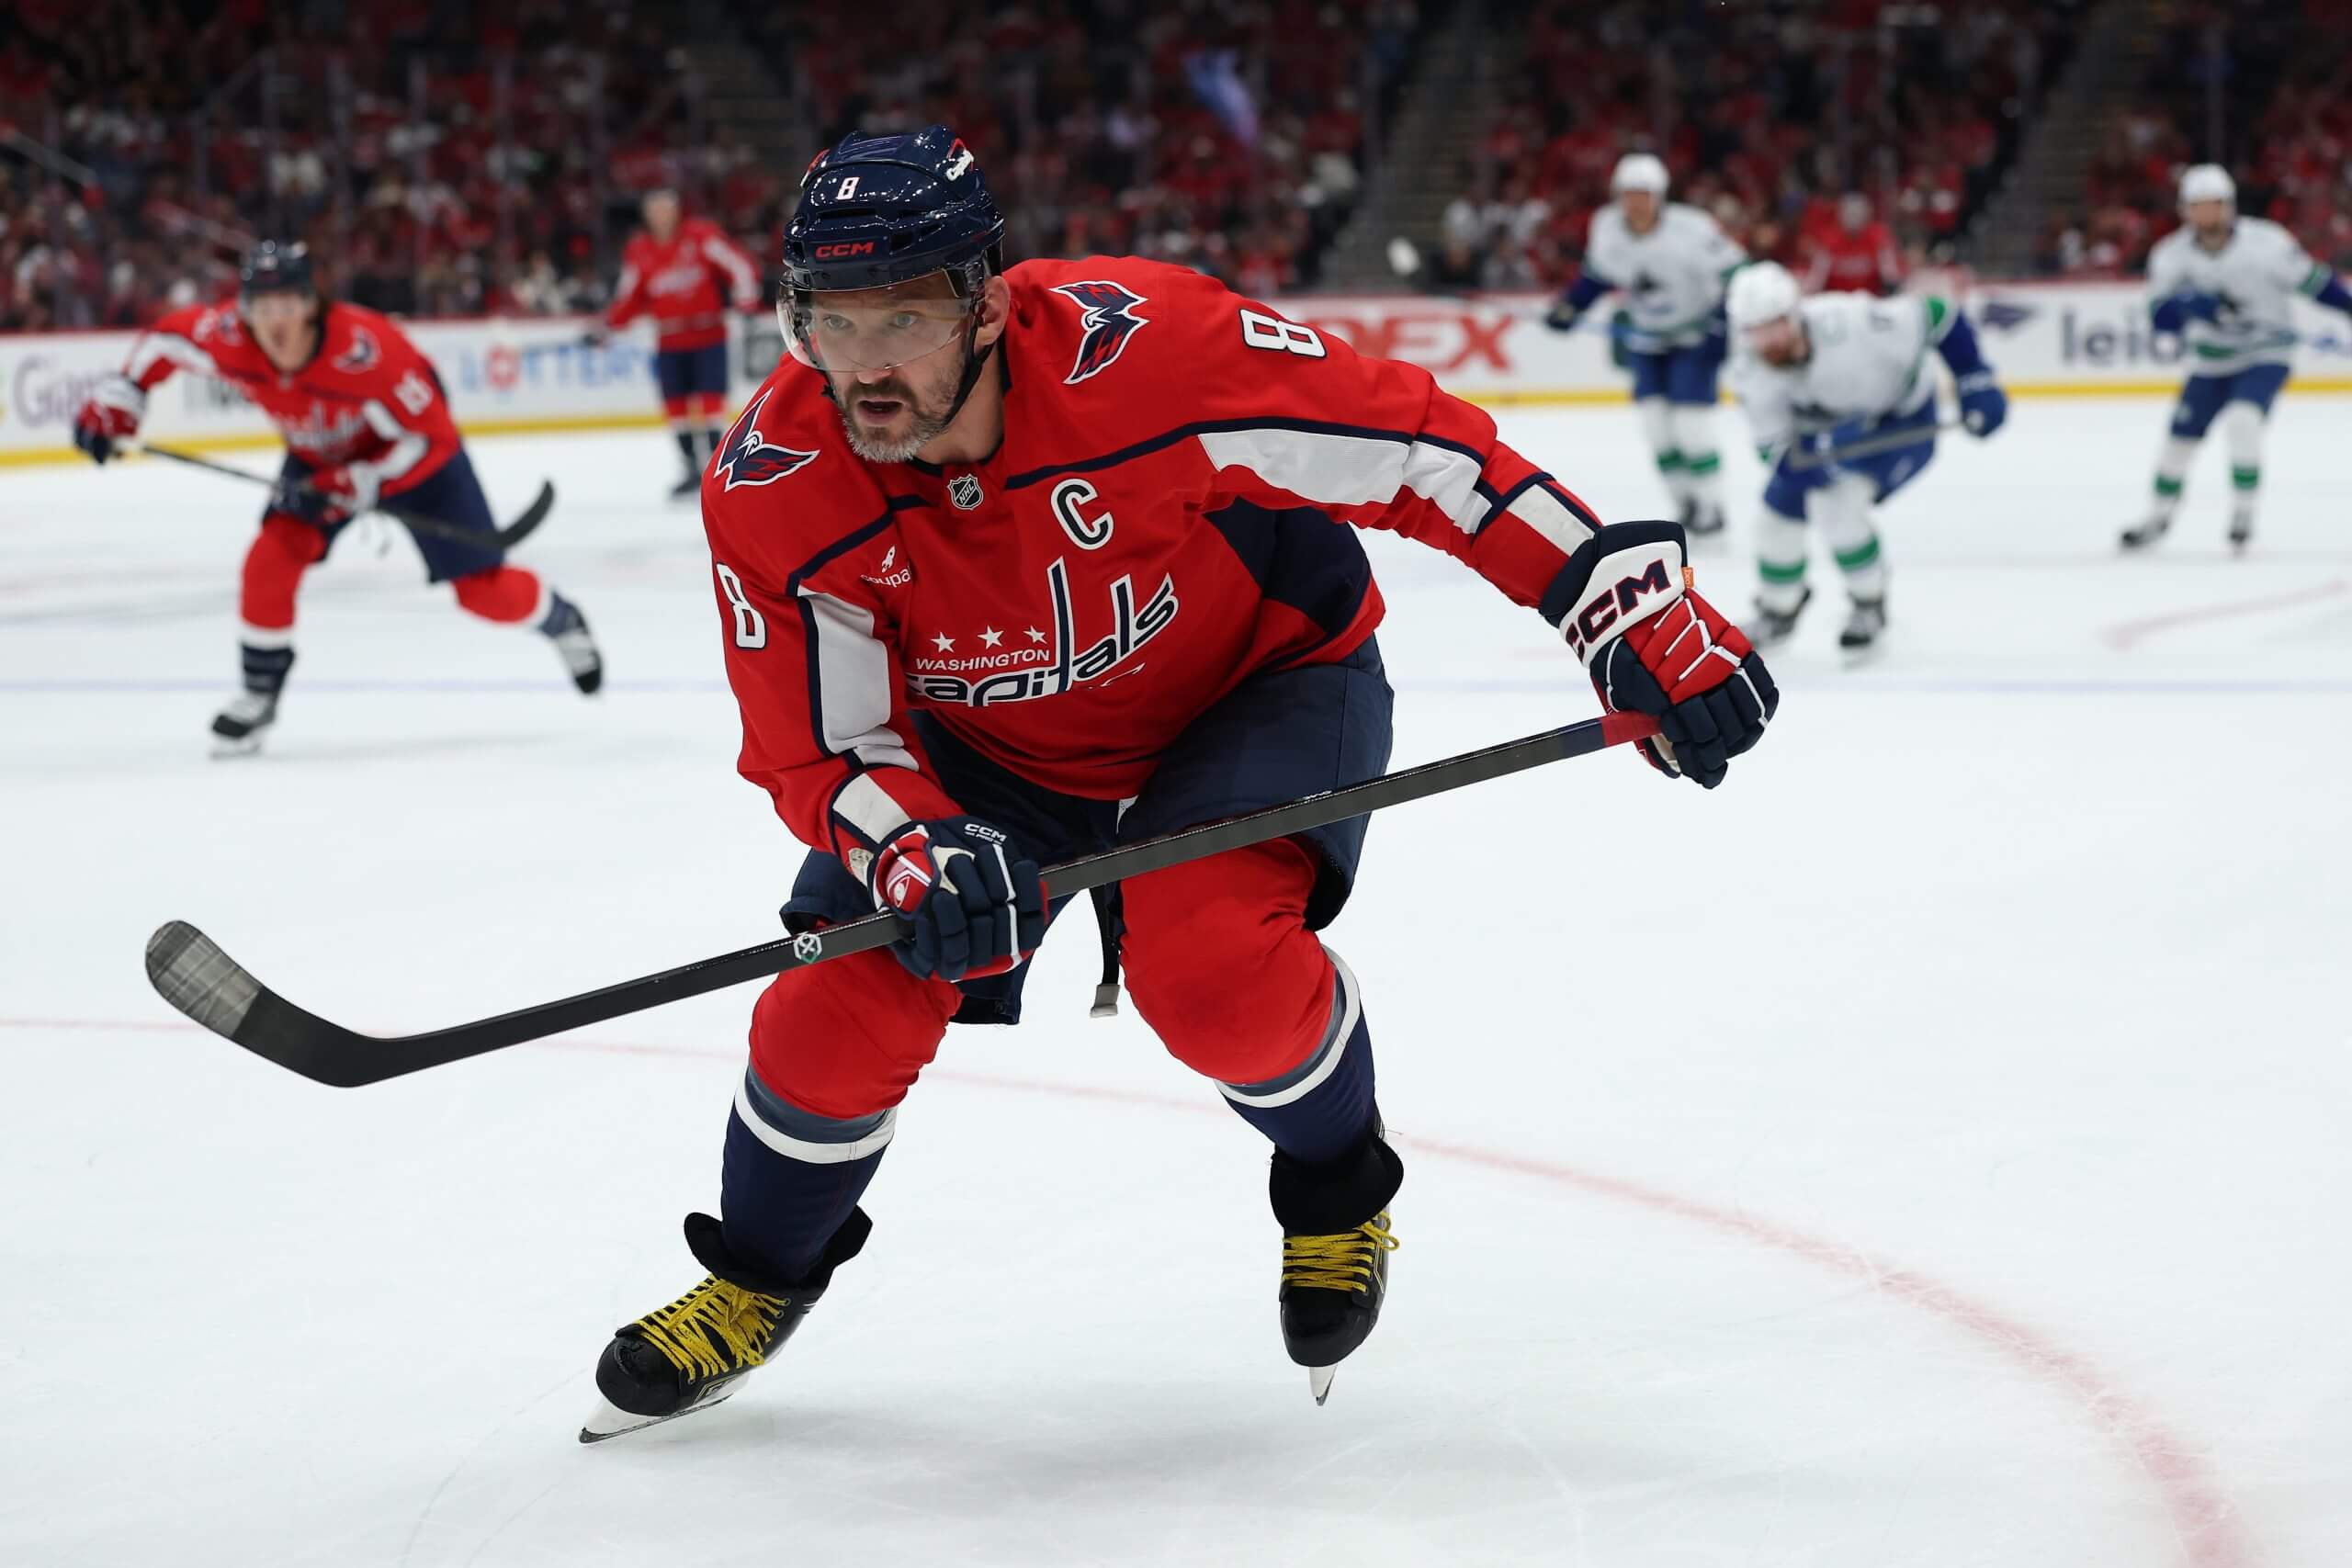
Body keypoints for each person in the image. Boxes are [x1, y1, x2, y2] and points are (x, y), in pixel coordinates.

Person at [579, 126, 1779, 1442]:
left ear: (988, 301)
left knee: (1212, 969)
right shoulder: (777, 477)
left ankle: (1336, 1189)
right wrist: (911, 842)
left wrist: (1616, 606)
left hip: (1251, 684)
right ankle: (757, 1278)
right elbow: (818, 742)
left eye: (903, 317)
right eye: (830, 320)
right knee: (832, 1009)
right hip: (985, 754)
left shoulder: (1148, 352)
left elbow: (1420, 451)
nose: (863, 365)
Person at [73, 242, 603, 753]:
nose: (275, 324)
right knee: (270, 559)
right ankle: (259, 694)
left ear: (311, 306)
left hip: (417, 465)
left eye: (287, 306)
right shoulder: (231, 337)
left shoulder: (370, 351)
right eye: (262, 308)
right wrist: (121, 399)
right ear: (245, 311)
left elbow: (431, 438)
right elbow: (164, 343)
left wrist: (364, 479)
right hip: (320, 462)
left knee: (484, 593)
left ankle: (563, 622)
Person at [1724, 260, 2007, 655]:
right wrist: (1824, 456)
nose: (1767, 342)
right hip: (1826, 440)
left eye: (1773, 326)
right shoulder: (1750, 371)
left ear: (1795, 313)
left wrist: (1974, 377)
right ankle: (1778, 609)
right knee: (1774, 520)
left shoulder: (1854, 323)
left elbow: (1937, 315)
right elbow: (1774, 450)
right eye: (1753, 331)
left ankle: (1868, 603)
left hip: (1901, 426)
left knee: (1838, 510)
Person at [2120, 164, 2352, 554]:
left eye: (2214, 205)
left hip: (2265, 354)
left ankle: (2243, 514)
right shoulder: (2171, 255)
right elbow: (2160, 319)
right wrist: (2187, 305)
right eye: (2199, 206)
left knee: (2244, 422)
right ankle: (2157, 516)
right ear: (2185, 210)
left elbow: (2315, 283)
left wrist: (2349, 307)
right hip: (2209, 361)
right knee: (2178, 443)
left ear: (2229, 206)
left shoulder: (2267, 243)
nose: (2207, 214)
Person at [1544, 153, 1746, 537]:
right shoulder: (1607, 228)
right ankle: (1685, 502)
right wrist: (1571, 306)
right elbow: (1598, 277)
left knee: (1691, 427)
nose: (1636, 203)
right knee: (1657, 429)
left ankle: (1712, 505)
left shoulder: (1693, 228)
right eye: (1629, 194)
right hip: (1646, 339)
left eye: (1644, 194)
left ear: (1659, 196)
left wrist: (1726, 322)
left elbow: (1738, 273)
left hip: (1695, 337)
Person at [594, 186, 764, 499]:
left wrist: (746, 301)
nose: (660, 215)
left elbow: (738, 266)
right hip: (669, 340)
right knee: (676, 408)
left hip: (708, 336)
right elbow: (629, 296)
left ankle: (718, 466)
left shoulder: (700, 236)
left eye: (665, 208)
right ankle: (689, 467)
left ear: (676, 211)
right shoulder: (639, 250)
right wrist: (608, 326)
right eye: (654, 210)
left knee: (711, 404)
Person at [1802, 193, 1903, 297]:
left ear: (1867, 215)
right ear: (1840, 215)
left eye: (1857, 214)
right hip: (1837, 299)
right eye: (1849, 214)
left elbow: (1892, 277)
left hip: (1870, 299)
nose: (1853, 218)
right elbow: (1816, 279)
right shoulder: (1829, 240)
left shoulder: (1878, 237)